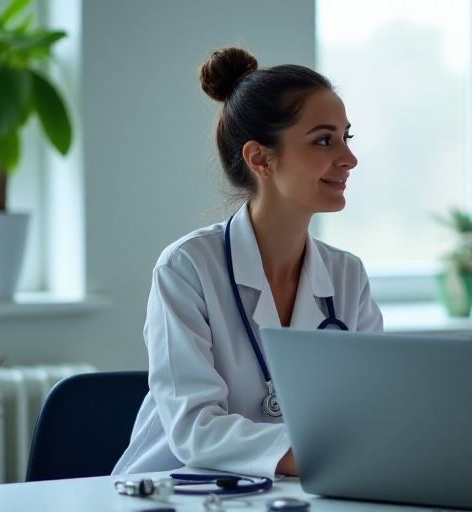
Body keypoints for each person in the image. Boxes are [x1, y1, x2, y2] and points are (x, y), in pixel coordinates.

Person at [113, 47, 383, 479]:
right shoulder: (187, 269)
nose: (348, 159)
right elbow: (195, 431)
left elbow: (371, 411)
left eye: (346, 138)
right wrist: (333, 458)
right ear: (259, 158)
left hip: (293, 490)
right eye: (323, 140)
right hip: (174, 490)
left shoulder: (346, 276)